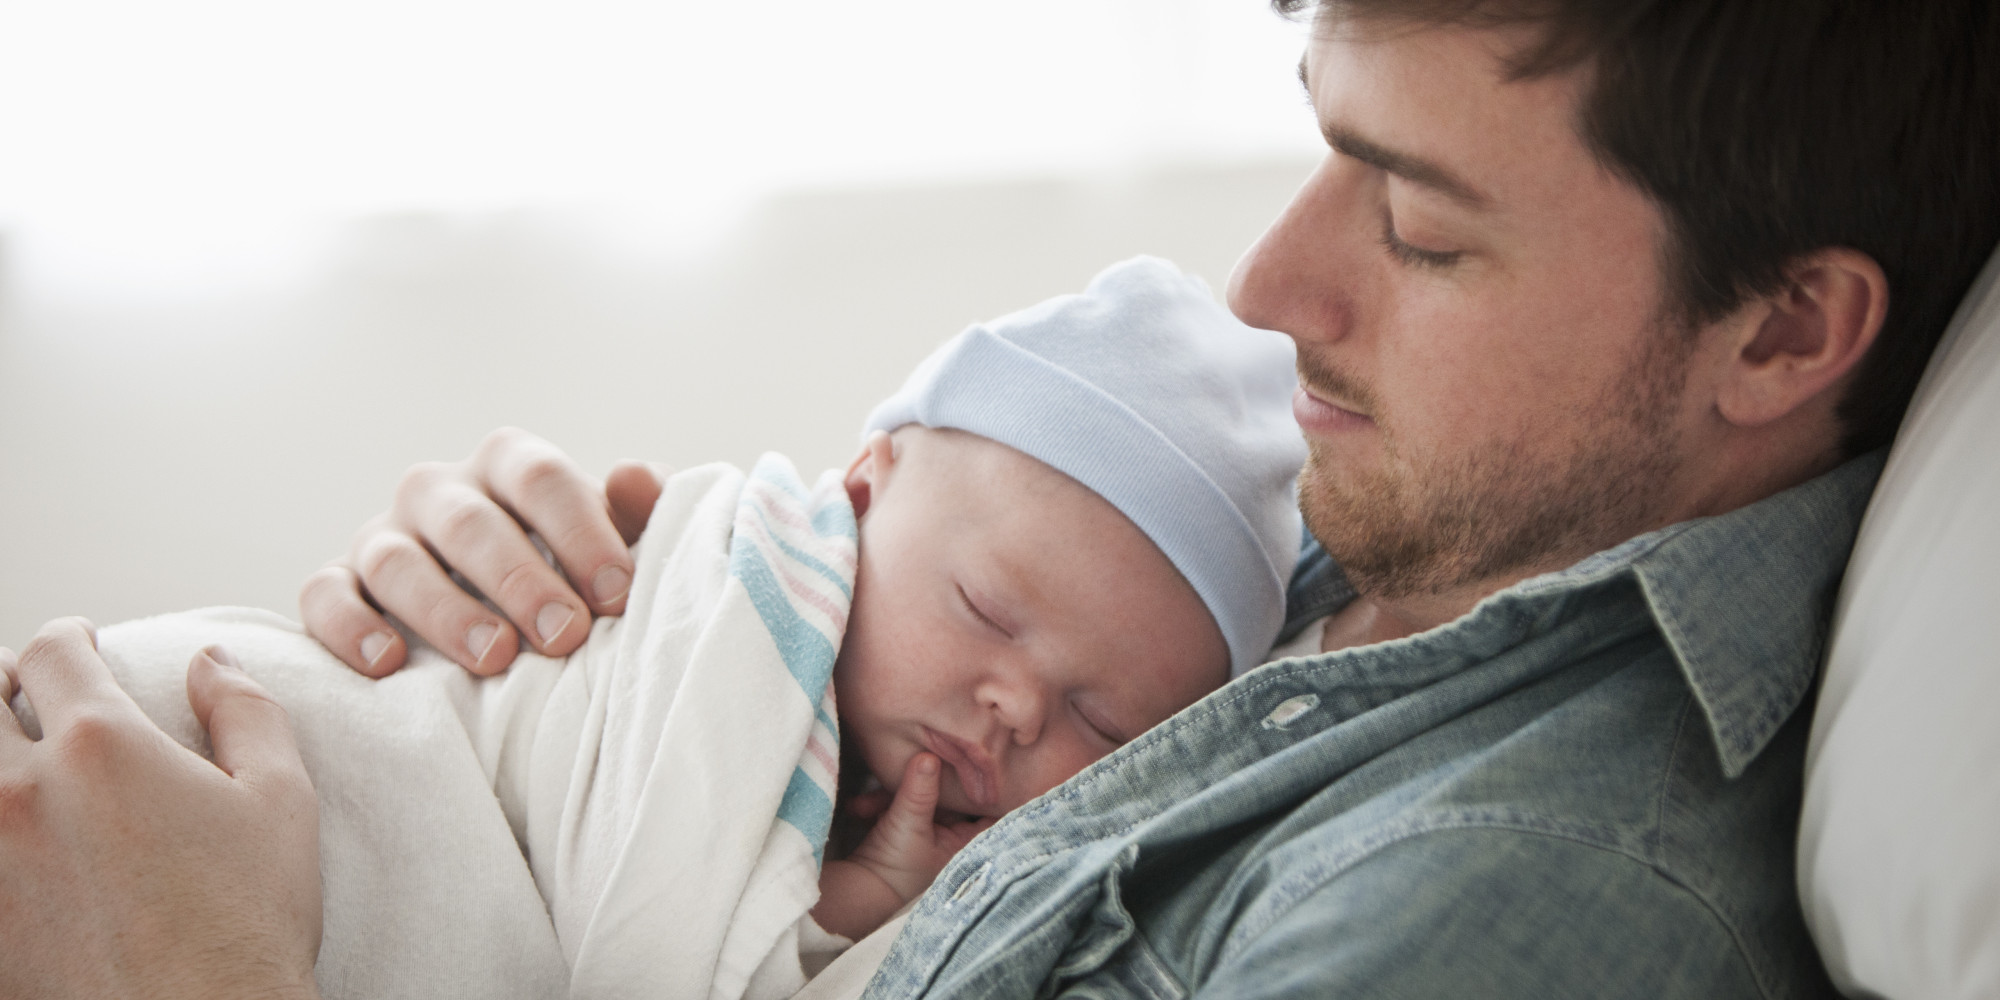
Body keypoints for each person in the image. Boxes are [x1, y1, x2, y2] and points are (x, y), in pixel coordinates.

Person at [1, 0, 1996, 997]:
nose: (1268, 295)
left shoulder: (1484, 906)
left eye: (1424, 226)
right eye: (1322, 153)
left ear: (1780, 332)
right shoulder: (1394, 501)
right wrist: (547, 595)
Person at [4, 257, 1303, 995]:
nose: (1015, 707)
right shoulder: (751, 600)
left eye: (1102, 719)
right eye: (987, 609)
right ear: (860, 488)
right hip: (194, 753)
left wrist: (847, 904)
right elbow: (649, 954)